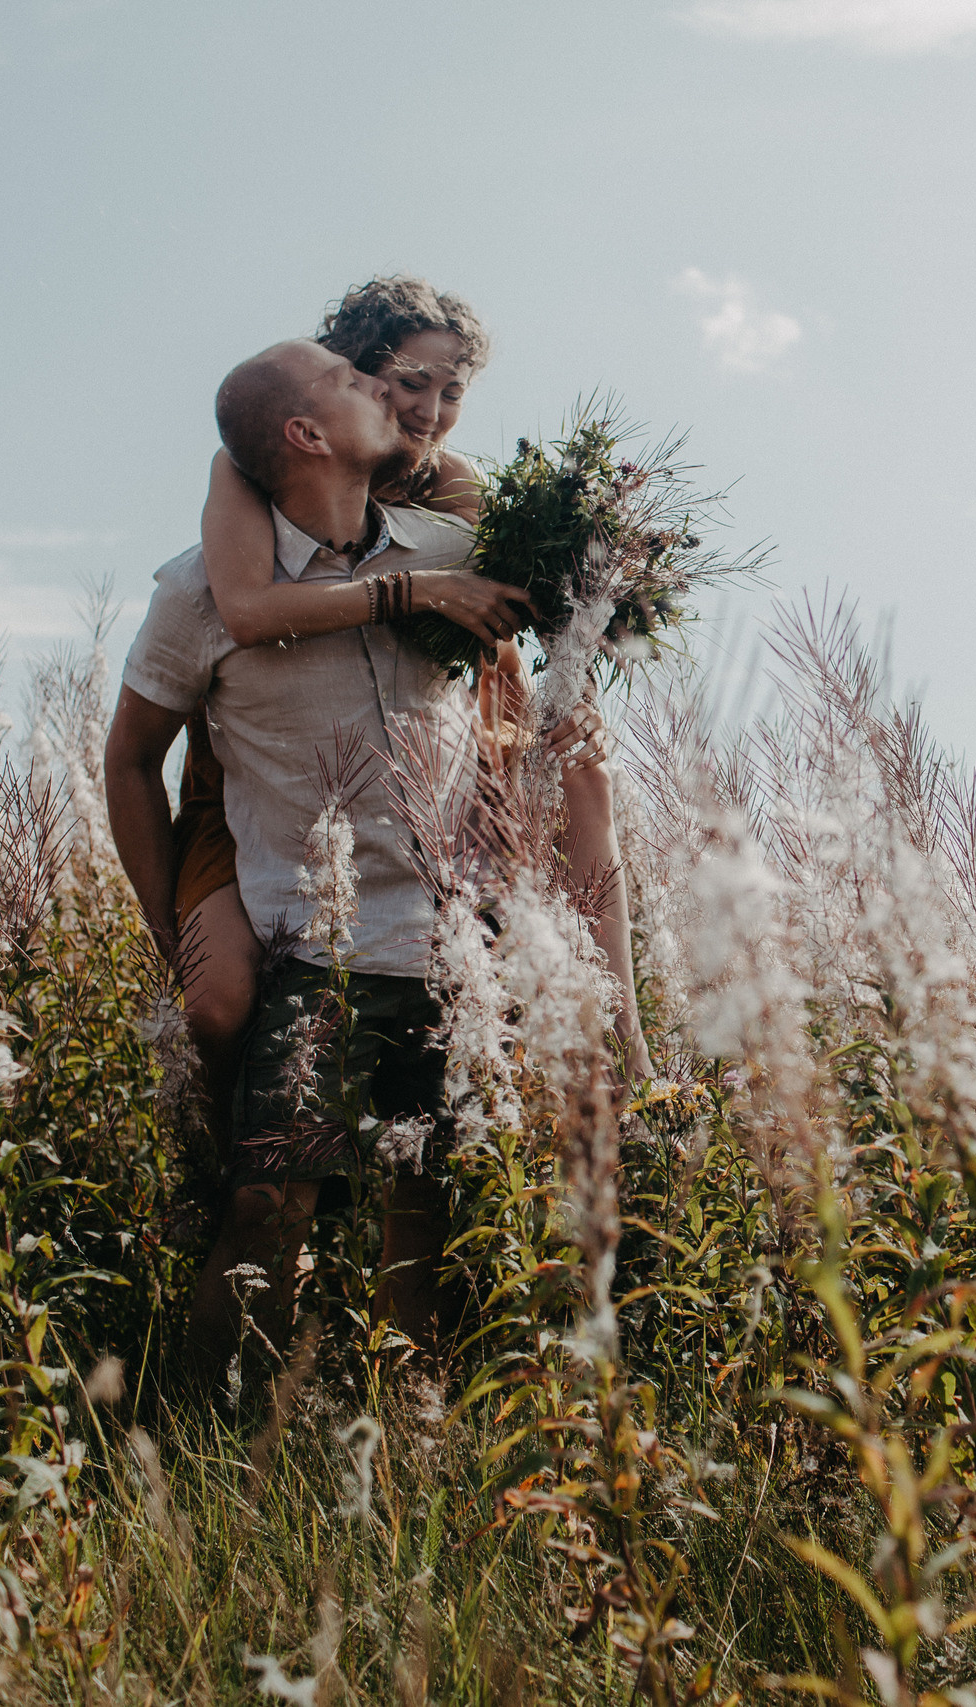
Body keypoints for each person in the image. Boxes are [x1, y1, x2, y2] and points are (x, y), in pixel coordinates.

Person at [101, 337, 627, 1397]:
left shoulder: (451, 561)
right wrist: (175, 930)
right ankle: (184, 1453)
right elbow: (128, 759)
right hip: (306, 942)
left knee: (422, 1220)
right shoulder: (203, 594)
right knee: (264, 1207)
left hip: (444, 944)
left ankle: (411, 1451)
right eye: (353, 383)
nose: (386, 394)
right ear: (305, 436)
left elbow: (552, 720)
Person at [166, 279, 648, 1170]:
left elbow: (510, 604)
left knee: (584, 772)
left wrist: (575, 658)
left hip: (422, 722)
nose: (429, 410)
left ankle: (626, 1040)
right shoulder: (251, 468)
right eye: (408, 381)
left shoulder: (450, 485)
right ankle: (225, 1152)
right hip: (263, 760)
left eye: (453, 391)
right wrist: (416, 591)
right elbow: (242, 604)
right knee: (221, 1000)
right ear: (350, 374)